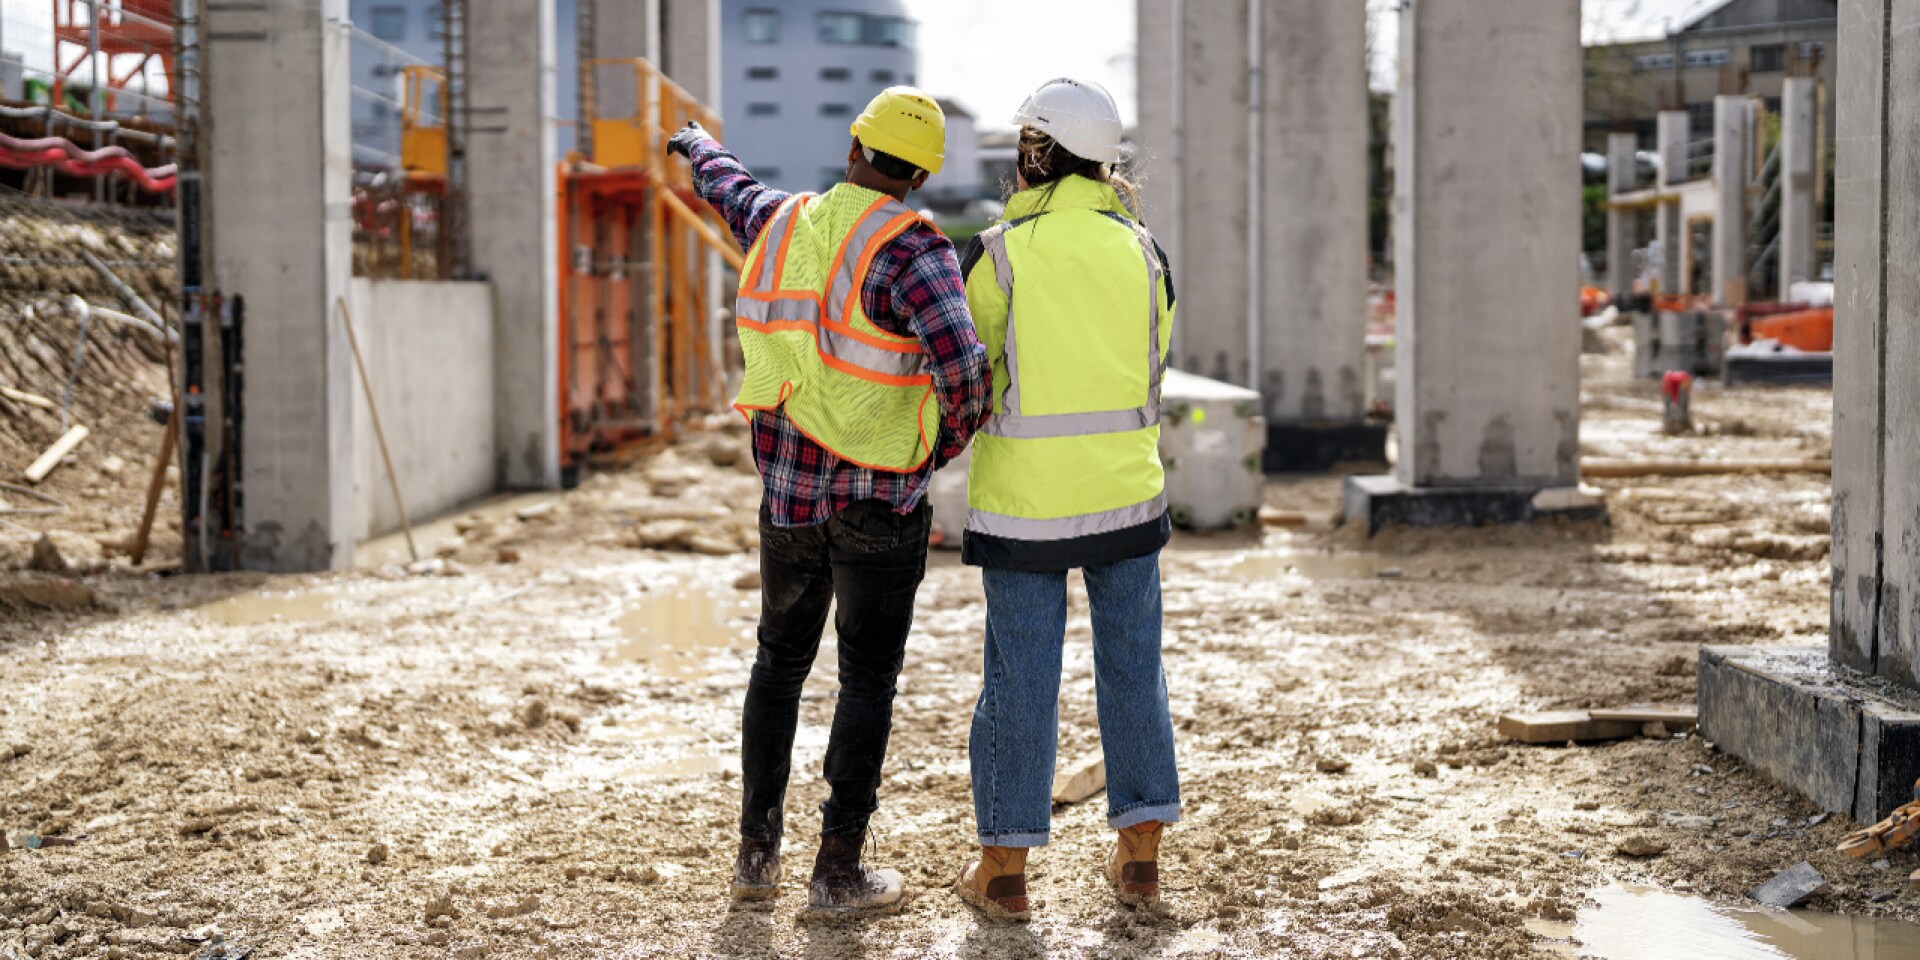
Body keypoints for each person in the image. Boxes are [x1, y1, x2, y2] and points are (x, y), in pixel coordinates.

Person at [667, 87, 991, 920]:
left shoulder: (784, 222)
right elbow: (964, 373)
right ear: (920, 174)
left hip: (789, 502)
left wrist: (695, 143)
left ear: (854, 146)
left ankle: (756, 858)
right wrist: (936, 451)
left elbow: (730, 186)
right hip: (882, 505)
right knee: (867, 681)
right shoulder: (916, 252)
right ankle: (837, 872)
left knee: (777, 667)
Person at [950, 78, 1180, 923]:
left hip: (1024, 506)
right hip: (1125, 498)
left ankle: (1004, 873)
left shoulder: (1001, 251)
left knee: (1019, 680)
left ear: (1038, 154)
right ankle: (1141, 862)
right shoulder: (1143, 250)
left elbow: (973, 376)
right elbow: (1153, 362)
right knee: (1133, 670)